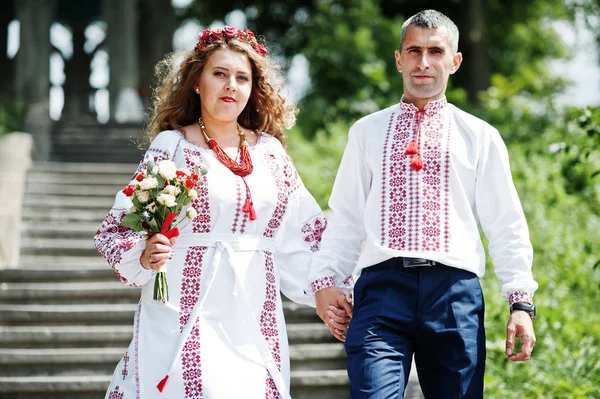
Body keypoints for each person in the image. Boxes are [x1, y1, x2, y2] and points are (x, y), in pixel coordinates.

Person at [94, 26, 348, 399]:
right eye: (220, 73)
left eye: (242, 78)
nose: (231, 85)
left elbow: (304, 230)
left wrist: (329, 284)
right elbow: (118, 227)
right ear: (197, 82)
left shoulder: (270, 152)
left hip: (253, 311)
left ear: (252, 89)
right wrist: (146, 253)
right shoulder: (173, 146)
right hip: (182, 307)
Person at [309, 9, 538, 399]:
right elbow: (346, 216)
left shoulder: (480, 136)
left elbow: (505, 224)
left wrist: (521, 303)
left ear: (455, 61)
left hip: (454, 294)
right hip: (381, 291)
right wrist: (326, 280)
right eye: (414, 51)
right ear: (399, 59)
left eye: (436, 51)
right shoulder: (366, 132)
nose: (424, 62)